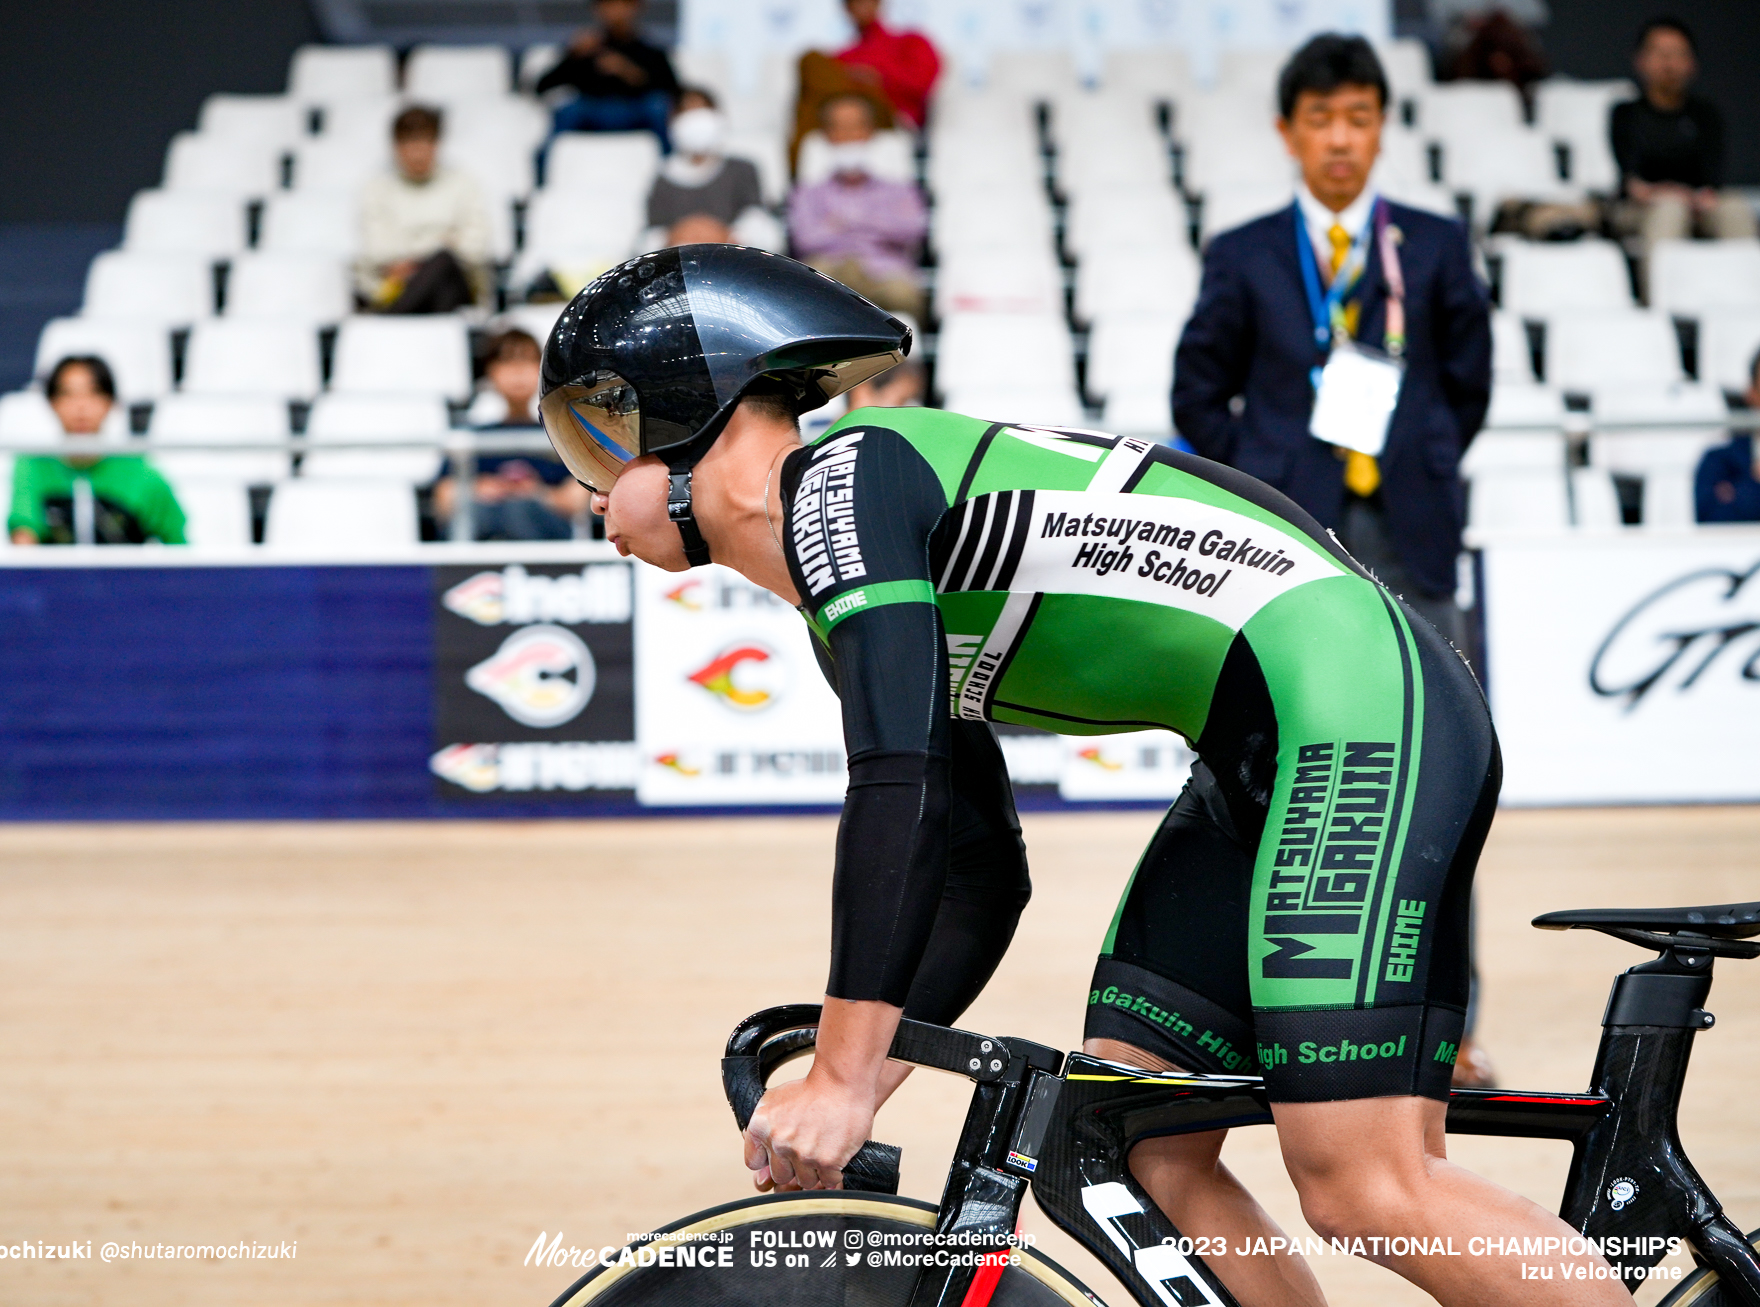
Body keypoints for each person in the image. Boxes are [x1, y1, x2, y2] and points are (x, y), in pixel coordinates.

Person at [537, 243, 1627, 1305]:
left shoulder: (845, 479)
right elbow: (974, 870)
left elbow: (897, 792)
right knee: (1131, 1133)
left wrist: (838, 1064)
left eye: (595, 445)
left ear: (694, 417)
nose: (585, 493)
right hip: (1276, 743)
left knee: (1365, 1183)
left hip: (1353, 706)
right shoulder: (846, 583)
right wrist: (864, 1069)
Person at [1174, 35, 1491, 658]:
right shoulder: (1243, 253)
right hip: (1285, 524)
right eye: (1320, 120)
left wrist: (1431, 450)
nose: (1340, 139)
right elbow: (1197, 392)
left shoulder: (1437, 243)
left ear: (1382, 127)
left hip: (1414, 517)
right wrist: (1258, 471)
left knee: (1434, 717)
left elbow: (1470, 379)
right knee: (1286, 705)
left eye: (1358, 119)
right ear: (1288, 133)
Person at [1609, 16, 1757, 246]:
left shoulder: (1705, 114)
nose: (1669, 63)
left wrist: (1698, 199)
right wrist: (1674, 196)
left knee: (1734, 208)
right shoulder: (1625, 114)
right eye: (1660, 53)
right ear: (1640, 60)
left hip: (1699, 205)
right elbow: (1634, 184)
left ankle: (1747, 280)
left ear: (1692, 63)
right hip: (1643, 209)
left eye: (1678, 53)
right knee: (1670, 211)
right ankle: (1661, 282)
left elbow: (1713, 179)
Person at [9, 357, 185, 547]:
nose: (81, 407)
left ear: (111, 402)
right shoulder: (32, 466)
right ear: (52, 403)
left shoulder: (140, 472)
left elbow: (178, 544)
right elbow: (23, 541)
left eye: (93, 393)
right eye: (68, 394)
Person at [434, 329, 582, 541]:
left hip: (545, 543)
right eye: (507, 361)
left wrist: (535, 493)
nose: (518, 371)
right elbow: (444, 500)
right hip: (482, 538)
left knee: (519, 510)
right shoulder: (470, 439)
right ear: (490, 371)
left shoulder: (563, 436)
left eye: (528, 360)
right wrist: (483, 489)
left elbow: (578, 500)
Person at [788, 94, 927, 317]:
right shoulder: (808, 192)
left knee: (903, 293)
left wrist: (845, 221)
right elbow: (804, 241)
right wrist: (876, 225)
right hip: (828, 273)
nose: (848, 136)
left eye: (856, 127)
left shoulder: (899, 189)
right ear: (826, 136)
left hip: (883, 274)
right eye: (839, 128)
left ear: (871, 132)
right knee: (804, 295)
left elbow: (911, 231)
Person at [356, 105, 494, 313]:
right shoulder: (377, 188)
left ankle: (393, 318)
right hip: (398, 287)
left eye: (425, 142)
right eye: (409, 144)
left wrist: (417, 259)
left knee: (444, 262)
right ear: (395, 147)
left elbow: (475, 247)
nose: (418, 154)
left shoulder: (463, 183)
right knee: (440, 270)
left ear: (437, 144)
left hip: (459, 285)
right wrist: (442, 241)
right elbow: (378, 251)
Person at [535, 0, 679, 154]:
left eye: (622, 4)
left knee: (657, 106)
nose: (615, 11)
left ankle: (669, 167)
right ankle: (544, 171)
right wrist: (572, 55)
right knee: (568, 109)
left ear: (636, 8)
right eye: (608, 5)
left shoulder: (650, 51)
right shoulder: (585, 47)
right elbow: (542, 86)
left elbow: (673, 91)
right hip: (592, 112)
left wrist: (628, 71)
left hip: (634, 112)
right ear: (597, 10)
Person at [646, 88, 764, 238]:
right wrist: (683, 234)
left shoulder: (742, 169)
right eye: (687, 112)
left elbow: (757, 220)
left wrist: (723, 236)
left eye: (703, 111)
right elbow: (652, 233)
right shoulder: (664, 178)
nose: (696, 121)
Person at [830, 0, 939, 128]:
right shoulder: (842, 57)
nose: (862, 7)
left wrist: (879, 78)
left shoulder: (912, 42)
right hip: (843, 118)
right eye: (855, 2)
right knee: (812, 61)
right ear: (847, 8)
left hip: (893, 118)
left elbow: (920, 85)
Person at [1696, 348, 1760, 522]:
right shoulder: (1717, 461)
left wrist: (1738, 493)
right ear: (1751, 393)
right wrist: (1753, 484)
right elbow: (1713, 522)